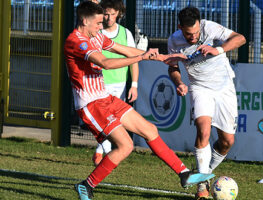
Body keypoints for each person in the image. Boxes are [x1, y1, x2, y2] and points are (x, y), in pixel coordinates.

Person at [64, 2, 213, 200]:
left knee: (150, 130)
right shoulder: (76, 41)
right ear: (84, 20)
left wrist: (161, 57)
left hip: (106, 99)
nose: (102, 26)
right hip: (91, 105)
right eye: (98, 23)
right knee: (125, 146)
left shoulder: (96, 36)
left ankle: (184, 174)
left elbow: (125, 51)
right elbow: (106, 63)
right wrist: (141, 57)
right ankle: (86, 185)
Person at [167, 6, 246, 200]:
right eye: (187, 34)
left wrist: (217, 49)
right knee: (203, 130)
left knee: (227, 141)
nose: (192, 38)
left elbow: (241, 38)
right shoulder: (173, 41)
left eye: (194, 34)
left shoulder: (209, 28)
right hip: (199, 87)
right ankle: (202, 186)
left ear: (199, 26)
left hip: (224, 87)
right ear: (180, 27)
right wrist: (179, 83)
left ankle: (204, 172)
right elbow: (173, 68)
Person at [91, 0, 139, 167]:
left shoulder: (126, 34)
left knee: (114, 122)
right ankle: (106, 154)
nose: (109, 17)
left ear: (119, 13)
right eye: (106, 13)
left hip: (120, 85)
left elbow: (134, 60)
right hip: (99, 84)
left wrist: (134, 85)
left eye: (112, 14)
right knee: (105, 121)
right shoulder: (95, 32)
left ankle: (101, 149)